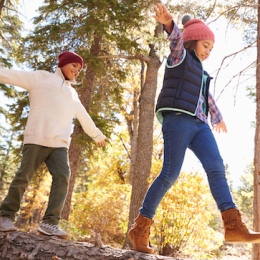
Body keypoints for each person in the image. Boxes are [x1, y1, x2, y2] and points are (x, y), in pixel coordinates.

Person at [128, 3, 260, 254]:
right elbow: (176, 38)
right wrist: (168, 24)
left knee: (216, 166)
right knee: (169, 174)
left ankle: (233, 225)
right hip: (178, 119)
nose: (208, 51)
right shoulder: (180, 56)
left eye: (211, 48)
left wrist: (217, 117)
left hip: (200, 124)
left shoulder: (201, 71)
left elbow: (206, 97)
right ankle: (140, 227)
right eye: (205, 45)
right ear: (193, 42)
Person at [0, 51, 108, 239]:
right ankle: (5, 216)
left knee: (63, 177)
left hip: (59, 144)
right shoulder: (41, 78)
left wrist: (97, 134)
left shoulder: (72, 94)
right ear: (63, 64)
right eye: (74, 65)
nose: (77, 71)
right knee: (23, 177)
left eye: (80, 69)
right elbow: (13, 75)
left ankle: (50, 223)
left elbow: (84, 117)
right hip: (36, 138)